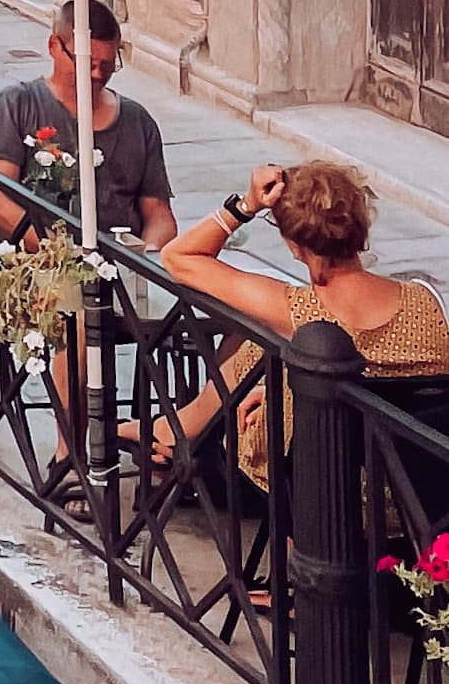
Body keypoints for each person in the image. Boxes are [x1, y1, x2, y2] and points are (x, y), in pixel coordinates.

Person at [149, 159, 449, 491]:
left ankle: (169, 430)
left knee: (258, 355)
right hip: (425, 497)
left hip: (327, 499)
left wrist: (246, 206)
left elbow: (178, 257)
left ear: (295, 247)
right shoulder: (427, 302)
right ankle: (171, 428)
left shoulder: (296, 311)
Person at [0, 0, 176, 250]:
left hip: (121, 269)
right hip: (42, 265)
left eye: (108, 65)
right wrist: (61, 253)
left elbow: (158, 212)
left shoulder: (138, 121)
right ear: (54, 46)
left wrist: (148, 254)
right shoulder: (17, 105)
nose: (97, 74)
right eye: (87, 64)